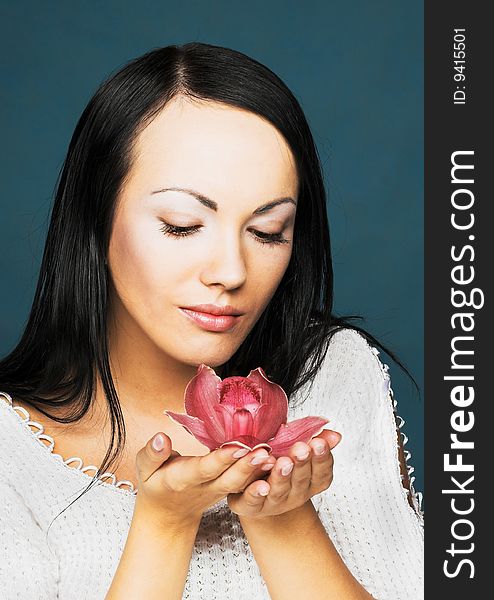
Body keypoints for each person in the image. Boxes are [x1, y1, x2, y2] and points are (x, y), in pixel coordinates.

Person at [0, 42, 423, 599]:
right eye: (181, 224)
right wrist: (165, 524)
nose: (231, 271)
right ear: (96, 220)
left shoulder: (339, 375)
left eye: (268, 231)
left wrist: (282, 517)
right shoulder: (12, 453)